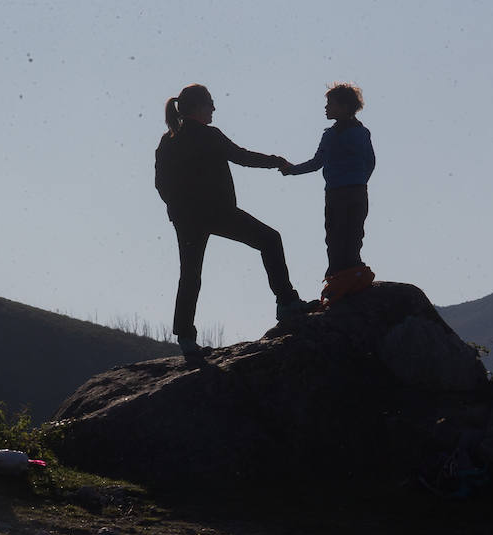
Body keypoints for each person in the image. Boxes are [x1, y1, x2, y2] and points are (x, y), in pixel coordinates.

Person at [154, 84, 312, 364]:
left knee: (190, 274)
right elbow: (242, 157)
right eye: (210, 104)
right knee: (270, 239)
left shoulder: (168, 140)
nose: (214, 109)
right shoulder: (208, 135)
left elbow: (160, 182)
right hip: (218, 212)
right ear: (199, 107)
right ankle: (286, 302)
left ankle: (186, 339)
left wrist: (177, 209)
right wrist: (277, 161)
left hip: (186, 218)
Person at [280, 83, 376, 289]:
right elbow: (370, 162)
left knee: (336, 237)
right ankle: (349, 275)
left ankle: (338, 278)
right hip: (357, 191)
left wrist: (291, 170)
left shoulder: (332, 135)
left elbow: (316, 163)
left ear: (343, 107)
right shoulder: (361, 132)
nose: (326, 108)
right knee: (352, 235)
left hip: (337, 193)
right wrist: (360, 181)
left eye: (330, 104)